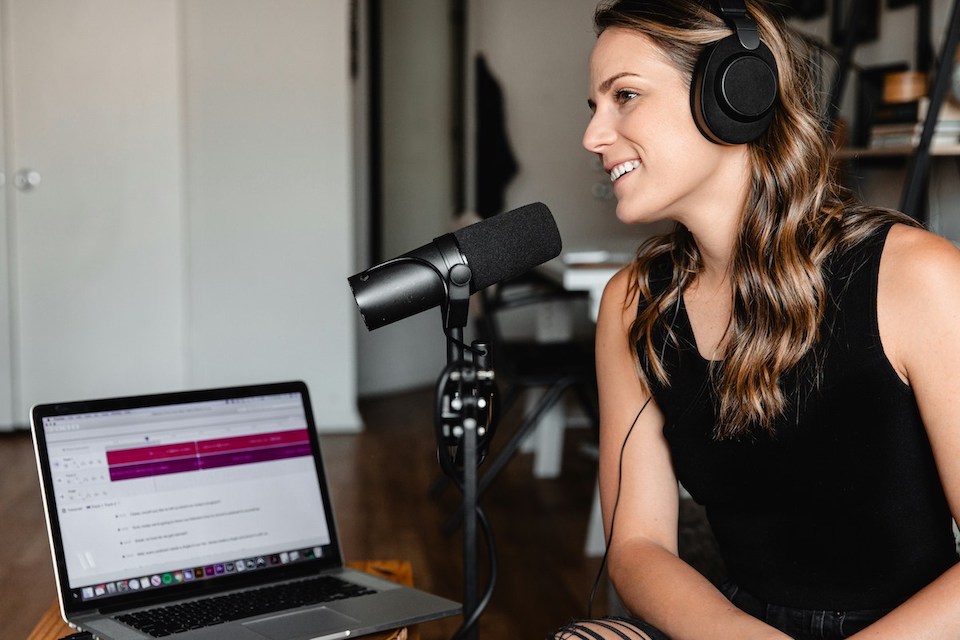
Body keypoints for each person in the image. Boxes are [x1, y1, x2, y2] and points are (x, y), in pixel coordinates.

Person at [552, 1, 960, 638]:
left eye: (625, 96)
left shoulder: (913, 276)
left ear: (735, 92)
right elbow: (637, 546)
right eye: (594, 107)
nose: (593, 136)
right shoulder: (633, 303)